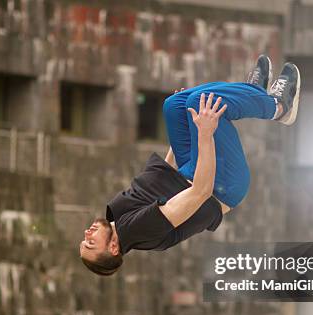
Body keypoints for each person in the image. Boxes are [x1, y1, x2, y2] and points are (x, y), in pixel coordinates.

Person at [80, 55, 301, 276]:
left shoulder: (118, 217)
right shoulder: (138, 230)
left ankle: (251, 93)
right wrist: (204, 134)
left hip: (191, 168)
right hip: (220, 184)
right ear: (113, 248)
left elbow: (164, 176)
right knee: (199, 103)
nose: (87, 235)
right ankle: (279, 107)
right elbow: (200, 192)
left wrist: (183, 124)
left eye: (84, 240)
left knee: (174, 105)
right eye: (91, 243)